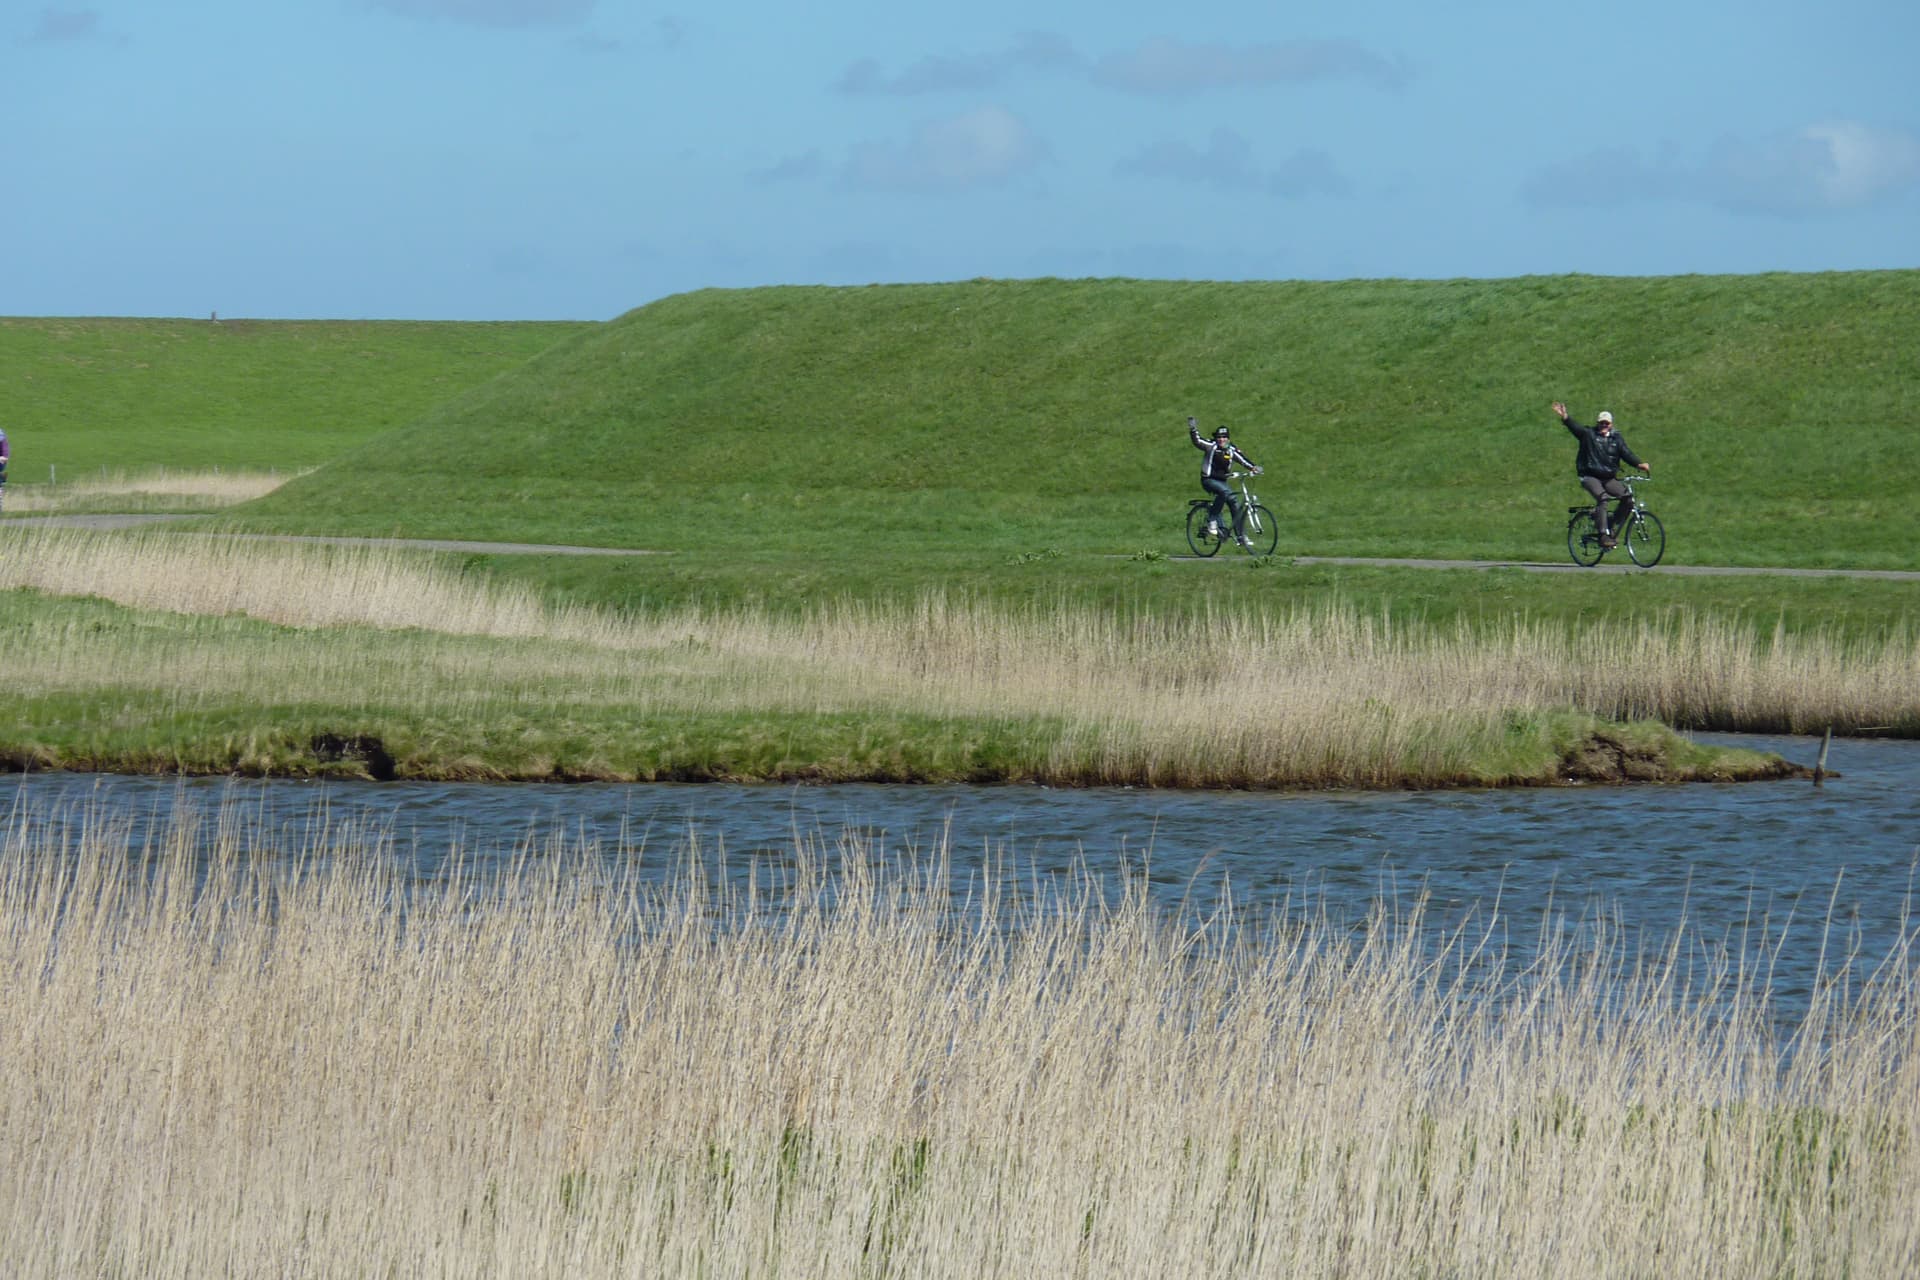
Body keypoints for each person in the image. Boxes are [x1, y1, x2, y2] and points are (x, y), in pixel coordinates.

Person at [1551, 401, 1648, 548]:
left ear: (1611, 424)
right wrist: (1565, 417)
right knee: (1603, 498)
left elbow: (1626, 453)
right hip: (1590, 476)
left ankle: (1610, 523)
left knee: (1628, 498)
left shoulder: (1616, 439)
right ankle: (1603, 535)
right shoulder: (1589, 435)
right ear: (1598, 423)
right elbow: (1576, 428)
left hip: (1608, 477)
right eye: (1602, 423)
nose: (1604, 426)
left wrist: (1639, 464)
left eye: (1606, 423)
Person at [1188, 416, 1262, 546]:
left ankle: (1240, 537)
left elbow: (1242, 459)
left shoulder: (1231, 449)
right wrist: (1193, 428)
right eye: (1219, 437)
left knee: (1234, 502)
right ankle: (1212, 520)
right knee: (1224, 493)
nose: (1222, 439)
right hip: (1208, 480)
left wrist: (1253, 468)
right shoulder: (1211, 446)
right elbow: (1197, 441)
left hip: (1222, 482)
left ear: (1228, 438)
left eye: (1224, 437)